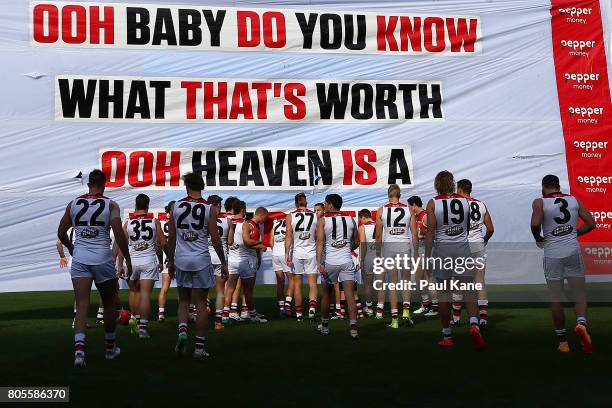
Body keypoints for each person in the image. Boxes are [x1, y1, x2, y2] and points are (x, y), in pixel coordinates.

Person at [57, 169, 132, 367]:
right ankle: (110, 349)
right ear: (104, 184)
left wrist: (72, 248)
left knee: (81, 305)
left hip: (80, 259)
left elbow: (61, 231)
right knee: (108, 304)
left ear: (89, 184)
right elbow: (118, 233)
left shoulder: (73, 203)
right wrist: (128, 259)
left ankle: (79, 353)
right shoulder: (111, 204)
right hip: (102, 259)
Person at [531, 174, 595, 353]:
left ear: (544, 187)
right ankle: (581, 324)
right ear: (559, 186)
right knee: (579, 294)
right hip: (572, 251)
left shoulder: (540, 202)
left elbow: (535, 224)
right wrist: (574, 234)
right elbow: (591, 223)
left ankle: (563, 342)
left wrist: (538, 238)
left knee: (556, 298)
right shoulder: (573, 199)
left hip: (552, 253)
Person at [166, 172, 228, 358]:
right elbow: (216, 240)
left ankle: (183, 331)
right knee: (201, 304)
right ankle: (199, 348)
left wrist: (170, 260)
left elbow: (172, 237)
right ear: (202, 187)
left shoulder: (176, 206)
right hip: (201, 258)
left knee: (184, 300)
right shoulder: (209, 208)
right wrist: (223, 262)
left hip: (182, 258)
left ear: (186, 187)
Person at [424, 171, 485, 351]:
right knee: (468, 290)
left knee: (444, 295)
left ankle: (447, 335)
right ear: (452, 183)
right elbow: (466, 227)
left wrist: (427, 257)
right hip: (462, 250)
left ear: (437, 184)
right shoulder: (466, 201)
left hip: (443, 251)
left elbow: (430, 232)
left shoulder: (433, 202)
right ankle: (474, 323)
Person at [117, 194, 165, 338]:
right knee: (145, 295)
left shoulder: (128, 222)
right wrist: (162, 260)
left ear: (136, 205)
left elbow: (122, 246)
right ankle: (142, 328)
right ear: (147, 205)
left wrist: (120, 264)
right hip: (148, 260)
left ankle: (134, 321)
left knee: (133, 291)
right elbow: (160, 243)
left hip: (132, 261)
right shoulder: (154, 221)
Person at [316, 194, 359, 339]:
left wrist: (319, 262)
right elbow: (357, 242)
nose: (324, 206)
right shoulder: (350, 219)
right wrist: (346, 248)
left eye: (325, 204)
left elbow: (320, 243)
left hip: (330, 262)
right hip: (347, 261)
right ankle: (353, 329)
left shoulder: (323, 220)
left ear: (330, 205)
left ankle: (325, 326)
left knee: (327, 294)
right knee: (350, 296)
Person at [375, 184, 417, 328]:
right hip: (404, 246)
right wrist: (416, 252)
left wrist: (377, 253)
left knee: (392, 284)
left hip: (389, 248)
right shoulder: (409, 209)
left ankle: (394, 320)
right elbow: (415, 235)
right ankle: (405, 311)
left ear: (388, 195)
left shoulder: (381, 210)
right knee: (405, 281)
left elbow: (378, 235)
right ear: (399, 195)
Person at [457, 180, 494, 328]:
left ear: (459, 189)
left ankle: (456, 317)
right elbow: (490, 229)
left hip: (463, 246)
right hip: (478, 244)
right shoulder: (481, 204)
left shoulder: (457, 204)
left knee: (459, 283)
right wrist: (483, 239)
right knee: (480, 282)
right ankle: (483, 318)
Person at [224, 202, 269, 323]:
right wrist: (261, 244)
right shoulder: (245, 224)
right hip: (245, 261)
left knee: (229, 288)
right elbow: (247, 242)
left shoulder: (228, 221)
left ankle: (225, 314)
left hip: (232, 259)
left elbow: (228, 241)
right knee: (248, 290)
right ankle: (252, 315)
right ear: (243, 210)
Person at [286, 193, 319, 321]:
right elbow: (317, 236)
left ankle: (299, 314)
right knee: (312, 283)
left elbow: (288, 235)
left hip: (297, 253)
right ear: (306, 203)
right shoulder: (315, 215)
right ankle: (312, 308)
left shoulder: (290, 216)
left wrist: (286, 254)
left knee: (297, 284)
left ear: (295, 203)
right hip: (311, 252)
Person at [408, 196, 439, 317]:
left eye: (410, 206)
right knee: (418, 278)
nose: (409, 208)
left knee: (429, 278)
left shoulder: (426, 216)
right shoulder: (415, 217)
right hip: (419, 250)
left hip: (427, 250)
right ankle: (425, 305)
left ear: (414, 205)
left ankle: (436, 307)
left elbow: (434, 233)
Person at [209, 195, 234, 330]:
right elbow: (229, 242)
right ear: (218, 205)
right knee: (220, 291)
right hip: (221, 258)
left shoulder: (203, 220)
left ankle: (199, 312)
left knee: (201, 290)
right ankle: (217, 322)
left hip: (205, 257)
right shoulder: (227, 221)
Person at [269, 211, 293, 318]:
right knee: (292, 280)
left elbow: (271, 243)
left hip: (275, 254)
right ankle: (287, 305)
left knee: (280, 282)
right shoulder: (291, 223)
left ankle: (281, 307)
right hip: (285, 253)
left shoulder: (275, 224)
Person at [357, 209, 380, 317]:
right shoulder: (380, 225)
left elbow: (363, 245)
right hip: (380, 256)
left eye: (360, 219)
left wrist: (361, 260)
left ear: (362, 217)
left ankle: (369, 308)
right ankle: (380, 309)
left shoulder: (363, 227)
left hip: (369, 258)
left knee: (368, 284)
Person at [157, 201, 175, 322]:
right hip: (177, 255)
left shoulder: (162, 222)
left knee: (165, 287)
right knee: (185, 287)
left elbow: (160, 242)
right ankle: (189, 312)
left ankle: (161, 314)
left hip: (166, 255)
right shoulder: (179, 222)